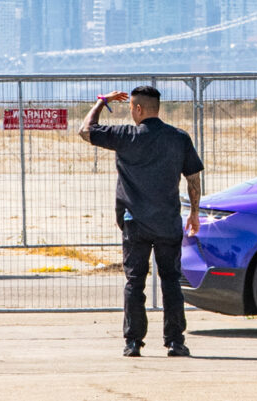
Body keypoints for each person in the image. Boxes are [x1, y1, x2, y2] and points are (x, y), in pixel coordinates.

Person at [79, 86, 204, 358]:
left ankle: (133, 342)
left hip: (134, 222)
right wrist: (194, 213)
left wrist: (102, 102)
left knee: (135, 282)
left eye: (131, 108)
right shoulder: (179, 138)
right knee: (171, 282)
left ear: (137, 108)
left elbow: (85, 130)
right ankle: (175, 342)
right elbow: (193, 179)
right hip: (168, 223)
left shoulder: (125, 136)